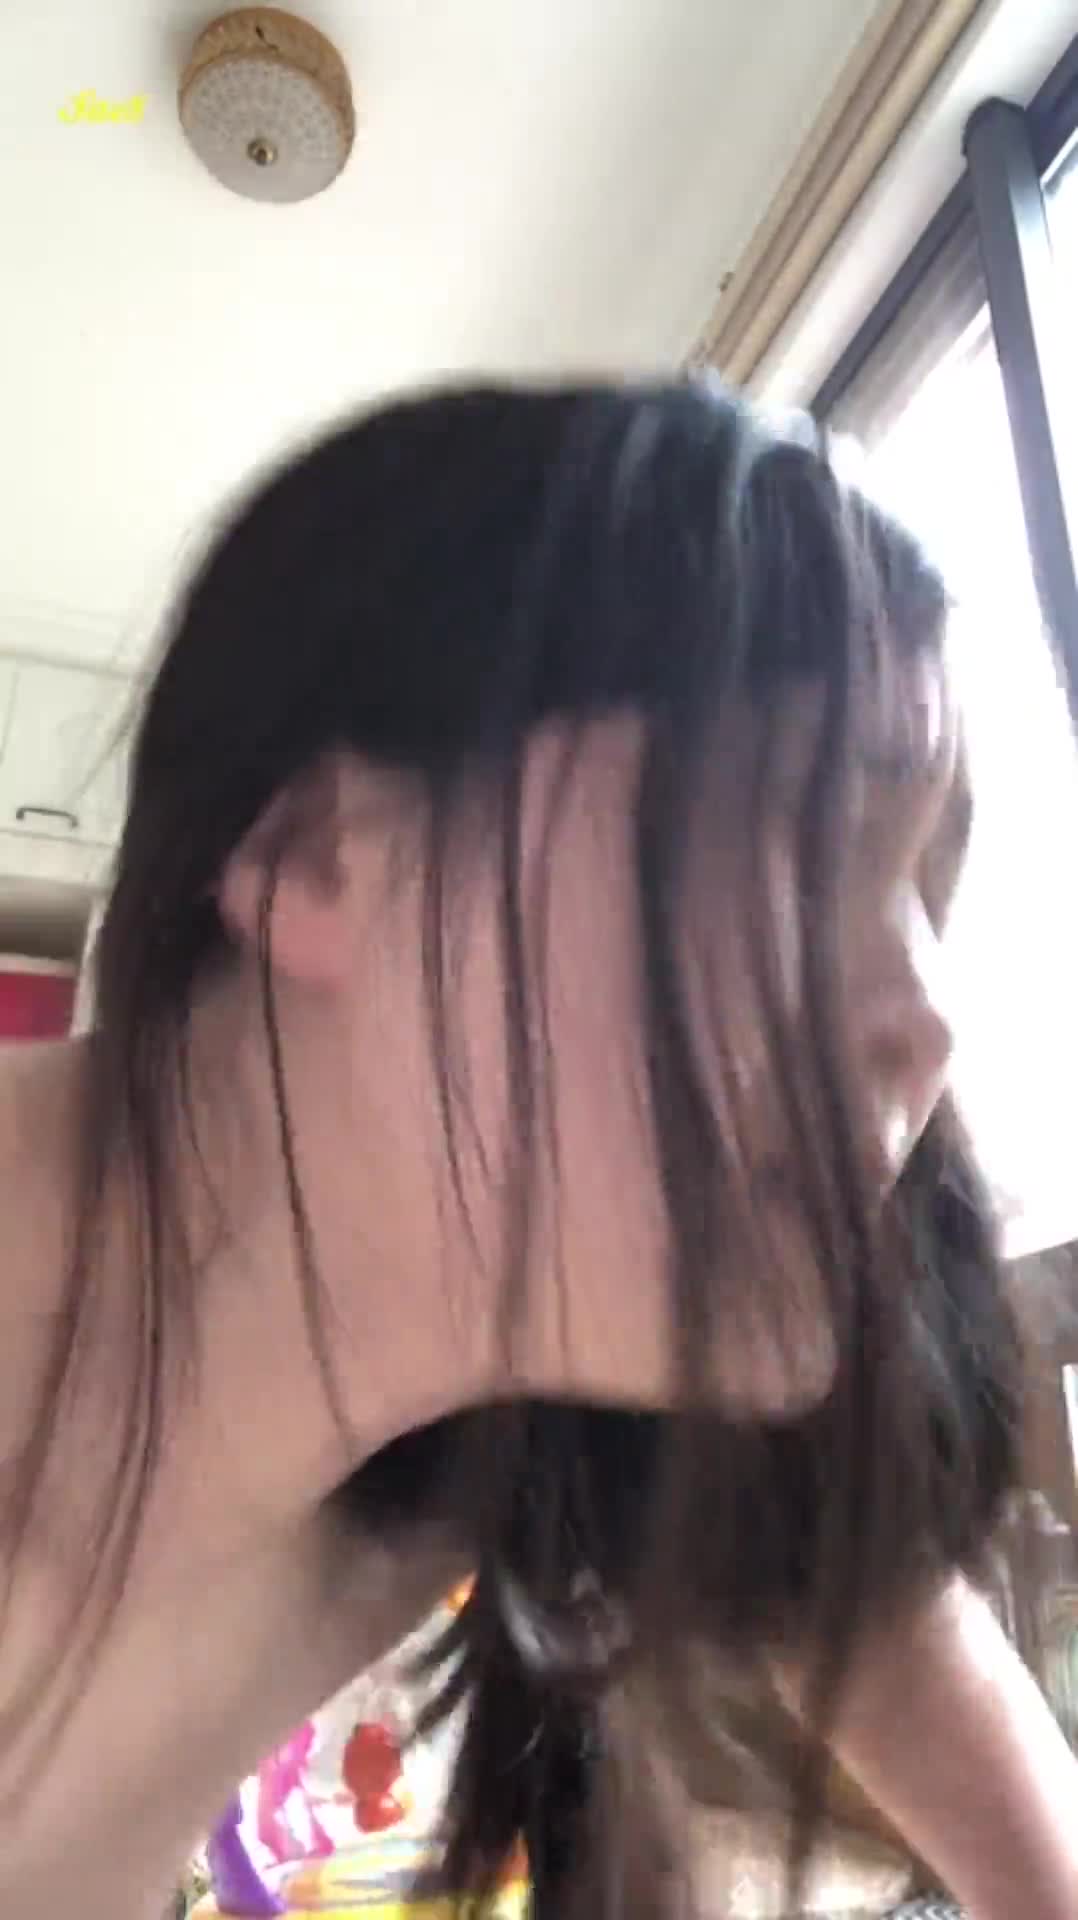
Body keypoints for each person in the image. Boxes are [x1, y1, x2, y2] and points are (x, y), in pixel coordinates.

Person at [0, 380, 1075, 1920]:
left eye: (928, 892)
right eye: (805, 845)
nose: (925, 1020)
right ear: (318, 856)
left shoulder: (495, 1423)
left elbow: (903, 1640)